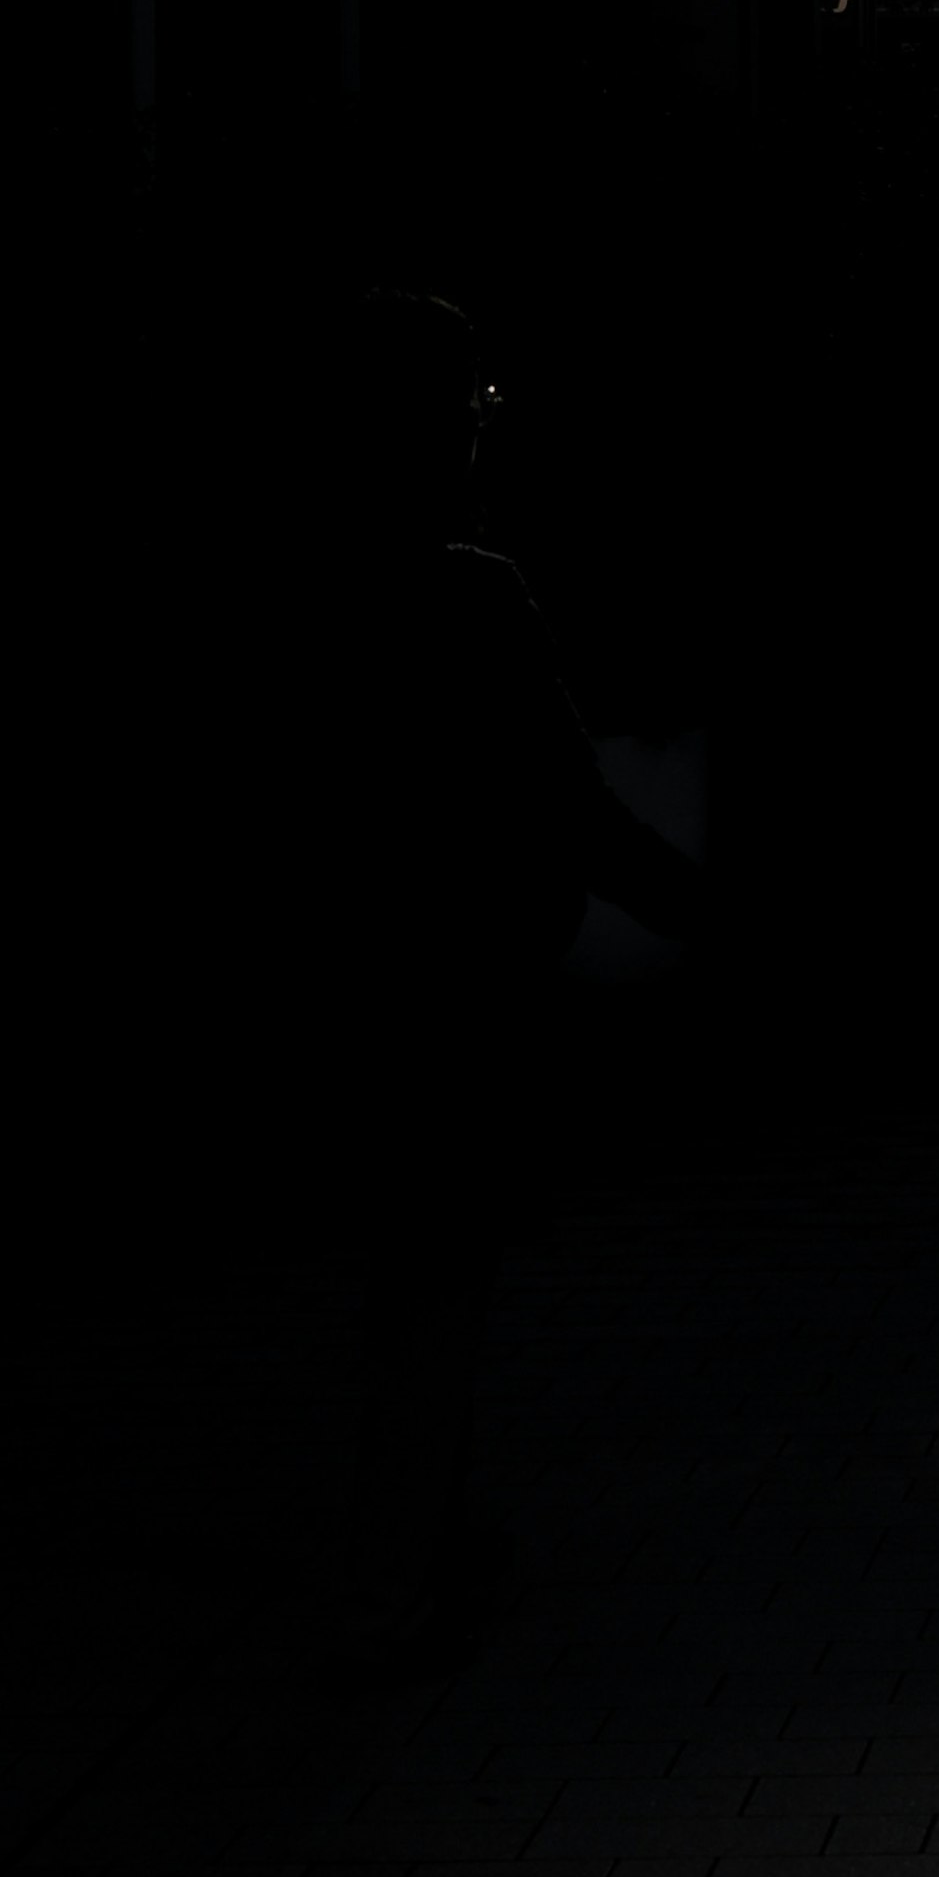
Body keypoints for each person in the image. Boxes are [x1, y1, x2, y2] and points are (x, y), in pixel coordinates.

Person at [292, 292, 706, 1649]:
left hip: (356, 989)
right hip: (461, 993)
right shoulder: (471, 595)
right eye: (471, 408)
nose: (482, 431)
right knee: (439, 1276)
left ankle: (426, 1542)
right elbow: (569, 805)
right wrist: (695, 907)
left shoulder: (308, 596)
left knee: (411, 1270)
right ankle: (389, 1581)